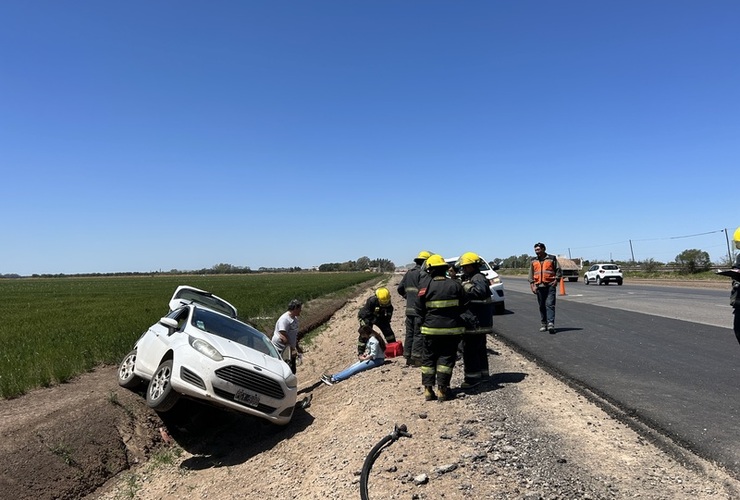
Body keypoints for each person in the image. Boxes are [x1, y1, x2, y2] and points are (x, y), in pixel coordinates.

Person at [417, 254, 466, 402]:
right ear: (444, 269)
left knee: (429, 359)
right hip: (451, 331)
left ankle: (427, 390)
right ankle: (442, 390)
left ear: (430, 270)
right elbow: (465, 304)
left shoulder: (425, 287)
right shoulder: (456, 285)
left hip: (430, 331)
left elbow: (419, 310)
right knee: (446, 359)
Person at [458, 252, 494, 389]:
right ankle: (483, 375)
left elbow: (480, 292)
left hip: (475, 322)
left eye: (466, 266)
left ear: (474, 265)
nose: (464, 269)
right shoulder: (473, 276)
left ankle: (472, 379)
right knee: (479, 349)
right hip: (478, 321)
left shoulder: (478, 277)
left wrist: (465, 287)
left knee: (470, 351)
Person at [396, 250, 431, 366]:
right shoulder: (423, 275)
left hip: (409, 309)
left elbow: (400, 288)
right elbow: (426, 292)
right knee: (418, 333)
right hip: (419, 310)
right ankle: (417, 358)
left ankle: (408, 357)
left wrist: (408, 297)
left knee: (409, 333)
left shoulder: (409, 273)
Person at [320, 327, 386, 385]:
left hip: (377, 360)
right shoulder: (372, 338)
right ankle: (334, 376)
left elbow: (373, 354)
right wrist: (365, 355)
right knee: (352, 367)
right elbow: (372, 351)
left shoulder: (373, 340)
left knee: (354, 369)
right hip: (374, 358)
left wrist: (364, 359)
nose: (362, 336)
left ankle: (333, 380)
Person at [528, 242, 562, 333]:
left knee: (550, 304)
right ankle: (544, 324)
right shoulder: (533, 260)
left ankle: (551, 324)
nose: (537, 252)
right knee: (542, 306)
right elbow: (531, 274)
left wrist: (556, 280)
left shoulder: (552, 258)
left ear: (543, 249)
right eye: (535, 250)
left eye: (538, 250)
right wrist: (532, 285)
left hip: (550, 285)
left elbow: (558, 270)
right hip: (539, 286)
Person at [357, 287, 396, 355]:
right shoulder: (371, 301)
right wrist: (376, 320)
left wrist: (386, 321)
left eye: (386, 302)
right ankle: (361, 352)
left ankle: (393, 346)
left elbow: (389, 313)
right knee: (365, 331)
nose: (385, 304)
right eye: (383, 302)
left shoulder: (388, 302)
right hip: (366, 316)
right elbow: (367, 314)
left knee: (387, 329)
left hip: (378, 316)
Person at [271, 299, 303, 374]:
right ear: (295, 308)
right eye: (299, 309)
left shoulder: (294, 319)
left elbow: (294, 335)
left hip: (289, 348)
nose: (300, 310)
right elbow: (283, 336)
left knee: (292, 369)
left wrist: (297, 347)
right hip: (281, 349)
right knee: (285, 370)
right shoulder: (284, 319)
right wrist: (291, 350)